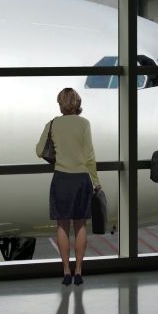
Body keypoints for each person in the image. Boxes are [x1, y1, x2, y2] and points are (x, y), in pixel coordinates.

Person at [36, 87, 101, 286]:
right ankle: (79, 271)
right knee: (80, 225)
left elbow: (39, 151)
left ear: (60, 103)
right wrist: (96, 182)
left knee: (62, 226)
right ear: (77, 103)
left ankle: (66, 271)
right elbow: (90, 156)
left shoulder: (52, 124)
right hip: (81, 179)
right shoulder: (84, 124)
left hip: (61, 179)